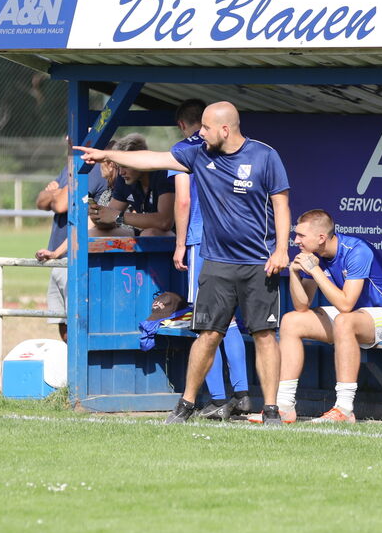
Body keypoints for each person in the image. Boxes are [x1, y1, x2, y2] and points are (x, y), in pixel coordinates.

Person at [75, 101, 290, 425]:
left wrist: (282, 250)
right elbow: (154, 158)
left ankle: (271, 409)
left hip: (260, 262)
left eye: (205, 128)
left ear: (225, 129)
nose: (200, 133)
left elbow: (282, 205)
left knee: (264, 335)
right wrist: (109, 155)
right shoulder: (198, 153)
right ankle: (186, 404)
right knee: (207, 334)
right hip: (216, 262)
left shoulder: (265, 156)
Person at [271, 209, 382, 423]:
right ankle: (284, 406)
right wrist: (294, 273)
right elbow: (301, 305)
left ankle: (344, 410)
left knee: (344, 320)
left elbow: (346, 304)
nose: (295, 240)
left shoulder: (356, 250)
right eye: (296, 235)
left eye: (301, 236)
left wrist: (315, 272)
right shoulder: (313, 256)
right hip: (353, 317)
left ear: (321, 238)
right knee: (291, 321)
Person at [169, 99, 250, 420]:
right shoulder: (232, 147)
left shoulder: (185, 150)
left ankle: (217, 398)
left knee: (206, 322)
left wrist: (179, 243)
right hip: (234, 241)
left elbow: (184, 199)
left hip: (202, 240)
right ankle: (242, 393)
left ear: (181, 125)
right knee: (230, 320)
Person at [35, 146, 115, 342]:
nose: (67, 138)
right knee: (63, 326)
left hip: (78, 258)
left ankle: (79, 371)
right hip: (61, 254)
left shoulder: (92, 168)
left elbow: (61, 204)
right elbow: (41, 201)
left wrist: (55, 193)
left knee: (77, 325)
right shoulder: (70, 166)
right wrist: (56, 195)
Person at [89, 134, 175, 237]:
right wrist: (98, 217)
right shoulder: (124, 180)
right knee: (93, 234)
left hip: (176, 236)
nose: (121, 173)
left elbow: (165, 222)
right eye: (118, 167)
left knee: (150, 234)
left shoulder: (163, 174)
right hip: (143, 232)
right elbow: (110, 220)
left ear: (140, 161)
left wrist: (117, 216)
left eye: (125, 166)